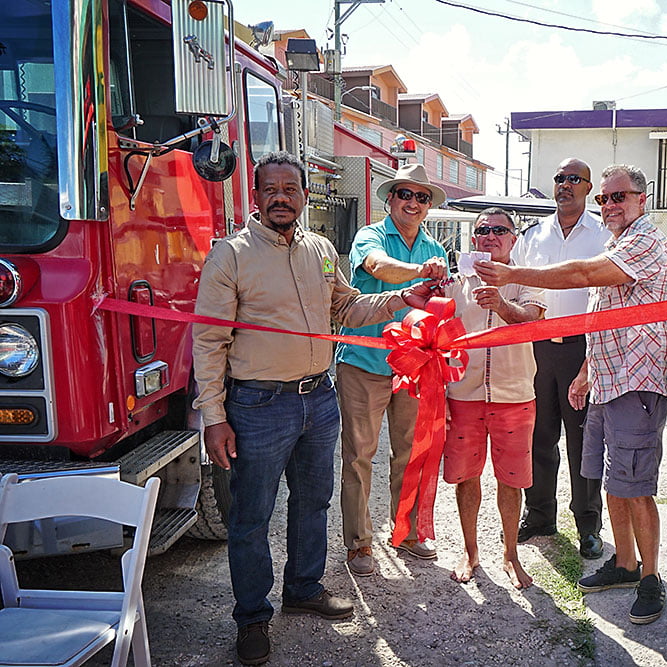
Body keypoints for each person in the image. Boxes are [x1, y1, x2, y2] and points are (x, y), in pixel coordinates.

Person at [193, 151, 433, 666]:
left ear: (305, 196)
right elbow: (209, 342)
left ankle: (303, 588)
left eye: (290, 189)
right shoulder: (230, 255)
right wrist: (214, 416)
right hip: (257, 405)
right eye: (270, 189)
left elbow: (346, 308)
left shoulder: (321, 250)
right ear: (256, 196)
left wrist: (403, 298)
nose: (281, 197)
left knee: (313, 502)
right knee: (251, 516)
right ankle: (252, 616)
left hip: (318, 398)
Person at [476, 164, 667, 625]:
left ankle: (650, 578)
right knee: (612, 480)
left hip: (636, 379)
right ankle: (624, 563)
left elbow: (584, 275)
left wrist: (511, 273)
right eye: (605, 198)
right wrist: (587, 371)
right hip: (607, 375)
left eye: (617, 196)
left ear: (642, 198)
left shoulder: (645, 239)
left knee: (636, 486)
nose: (609, 205)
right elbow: (601, 313)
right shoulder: (617, 241)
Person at [335, 163, 448, 577]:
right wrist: (421, 273)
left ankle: (408, 532)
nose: (413, 203)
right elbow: (378, 267)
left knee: (410, 454)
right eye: (406, 194)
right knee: (359, 456)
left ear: (428, 206)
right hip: (364, 365)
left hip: (413, 368)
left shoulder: (435, 250)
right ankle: (359, 543)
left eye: (422, 197)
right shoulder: (370, 236)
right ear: (390, 199)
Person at [511, 158, 611, 560]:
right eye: (559, 178)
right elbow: (514, 284)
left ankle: (588, 524)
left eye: (574, 179)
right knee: (538, 436)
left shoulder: (604, 236)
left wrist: (591, 362)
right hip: (536, 351)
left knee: (584, 441)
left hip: (581, 352)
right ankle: (538, 515)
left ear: (588, 189)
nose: (565, 185)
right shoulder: (532, 238)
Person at [443, 207, 546, 590]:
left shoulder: (526, 279)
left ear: (513, 239)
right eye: (483, 230)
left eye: (499, 230)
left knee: (511, 479)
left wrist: (501, 305)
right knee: (466, 477)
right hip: (464, 395)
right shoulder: (457, 281)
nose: (490, 236)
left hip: (514, 395)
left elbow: (532, 321)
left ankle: (510, 554)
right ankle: (471, 552)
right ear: (474, 239)